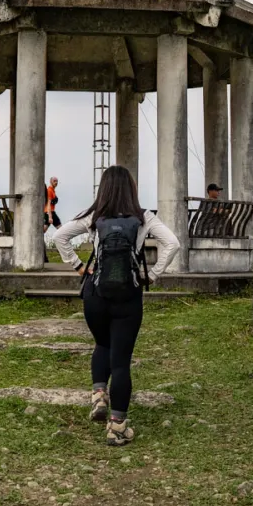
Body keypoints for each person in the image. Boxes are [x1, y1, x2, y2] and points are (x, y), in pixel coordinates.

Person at [52, 165, 180, 446]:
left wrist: (77, 267)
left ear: (104, 188)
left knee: (102, 344)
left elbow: (60, 236)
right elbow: (172, 243)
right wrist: (153, 274)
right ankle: (117, 427)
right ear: (131, 188)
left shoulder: (95, 215)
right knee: (121, 362)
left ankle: (99, 395)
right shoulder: (143, 217)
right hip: (128, 296)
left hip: (95, 295)